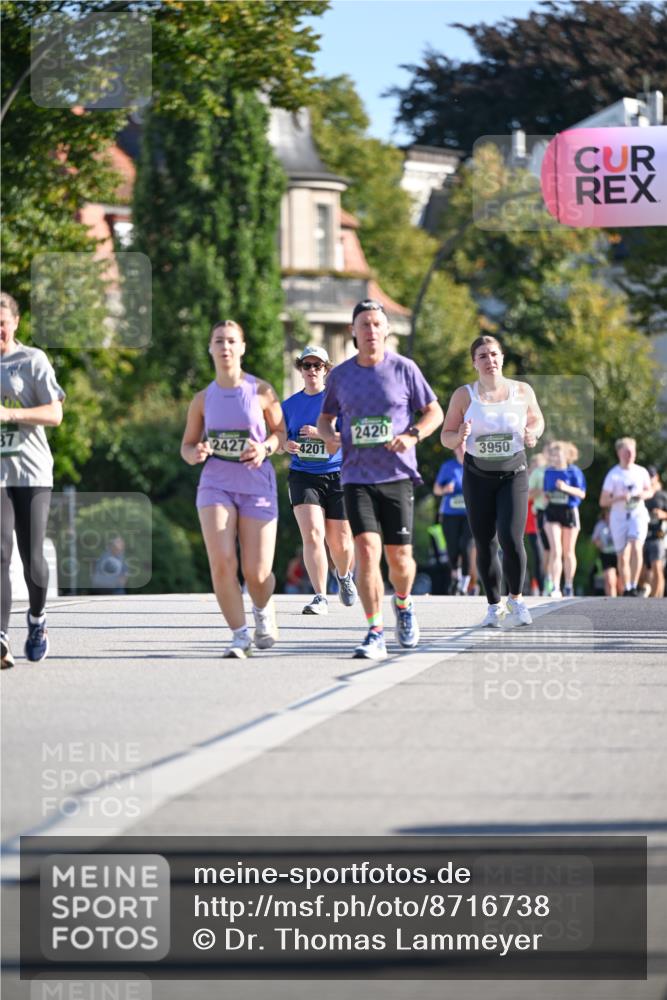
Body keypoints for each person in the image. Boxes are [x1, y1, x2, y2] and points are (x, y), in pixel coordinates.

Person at [317, 299, 443, 660]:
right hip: (356, 476)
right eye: (364, 324)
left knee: (400, 560)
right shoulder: (340, 376)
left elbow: (434, 412)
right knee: (367, 552)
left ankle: (403, 603)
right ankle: (374, 631)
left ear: (386, 329)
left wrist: (413, 435)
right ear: (353, 332)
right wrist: (328, 436)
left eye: (376, 324)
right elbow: (325, 418)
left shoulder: (404, 369)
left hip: (396, 474)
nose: (371, 330)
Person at [181, 319, 285, 658]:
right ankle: (240, 636)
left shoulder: (262, 391)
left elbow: (281, 435)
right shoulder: (202, 399)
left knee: (257, 574)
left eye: (230, 341)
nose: (224, 347)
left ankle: (263, 608)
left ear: (242, 348)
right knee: (223, 562)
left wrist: (265, 448)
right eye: (218, 341)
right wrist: (195, 453)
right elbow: (187, 446)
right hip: (216, 484)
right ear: (210, 348)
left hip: (256, 484)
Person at [441, 335, 544, 628]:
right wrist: (458, 435)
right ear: (474, 363)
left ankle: (517, 599)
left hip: (513, 473)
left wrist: (533, 433)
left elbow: (537, 419)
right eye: (483, 356)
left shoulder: (521, 391)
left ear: (502, 358)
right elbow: (446, 436)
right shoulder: (464, 395)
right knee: (485, 542)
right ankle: (493, 605)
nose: (490, 360)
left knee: (511, 538)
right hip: (477, 476)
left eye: (494, 354)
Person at [1, 291, 65, 668]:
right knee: (0, 552)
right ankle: (1, 637)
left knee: (32, 557)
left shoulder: (32, 360)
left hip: (31, 471)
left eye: (2, 325)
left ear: (15, 323)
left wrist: (10, 415)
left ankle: (38, 620)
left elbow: (55, 414)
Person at [281, 345, 356, 615]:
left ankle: (344, 576)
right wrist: (286, 445)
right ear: (300, 369)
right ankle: (320, 596)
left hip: (338, 475)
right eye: (307, 365)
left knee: (341, 542)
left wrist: (321, 434)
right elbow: (277, 439)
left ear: (326, 369)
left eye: (318, 365)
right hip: (303, 475)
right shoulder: (289, 405)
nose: (312, 370)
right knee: (313, 534)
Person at [599, 437, 653, 596]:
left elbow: (649, 491)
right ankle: (628, 587)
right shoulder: (613, 475)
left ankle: (634, 585)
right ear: (619, 453)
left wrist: (640, 495)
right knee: (622, 555)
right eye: (626, 452)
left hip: (637, 514)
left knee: (636, 546)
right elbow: (603, 501)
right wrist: (619, 497)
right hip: (619, 517)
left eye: (632, 452)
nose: (630, 455)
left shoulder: (641, 471)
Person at [542, 440, 586, 598]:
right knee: (556, 549)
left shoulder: (574, 471)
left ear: (566, 456)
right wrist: (547, 496)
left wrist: (565, 488)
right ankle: (555, 587)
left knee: (568, 552)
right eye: (552, 455)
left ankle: (568, 584)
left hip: (569, 511)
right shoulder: (548, 472)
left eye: (558, 455)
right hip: (552, 511)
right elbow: (545, 492)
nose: (555, 458)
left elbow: (582, 493)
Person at [433, 444, 473, 595]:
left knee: (466, 546)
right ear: (454, 450)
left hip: (470, 514)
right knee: (452, 547)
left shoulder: (475, 465)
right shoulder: (448, 466)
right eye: (459, 448)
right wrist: (444, 489)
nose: (461, 450)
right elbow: (436, 489)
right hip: (450, 514)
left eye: (464, 447)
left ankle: (465, 583)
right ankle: (455, 576)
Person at [643, 466, 667, 598]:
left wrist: (662, 514)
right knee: (646, 572)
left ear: (656, 477)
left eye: (651, 476)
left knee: (657, 567)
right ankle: (652, 598)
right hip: (644, 537)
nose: (649, 479)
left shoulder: (662, 495)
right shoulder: (644, 495)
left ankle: (658, 600)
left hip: (658, 536)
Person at [592, 509, 618, 597]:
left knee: (620, 583)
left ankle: (623, 600)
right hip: (606, 555)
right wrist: (599, 543)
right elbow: (595, 539)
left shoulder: (619, 523)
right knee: (609, 579)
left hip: (618, 555)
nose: (609, 516)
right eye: (607, 513)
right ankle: (611, 601)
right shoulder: (600, 525)